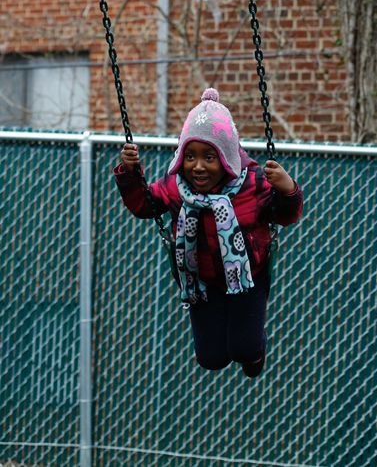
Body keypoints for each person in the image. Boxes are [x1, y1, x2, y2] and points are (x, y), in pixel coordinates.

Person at [114, 87, 303, 379]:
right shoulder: (175, 186)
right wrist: (129, 173)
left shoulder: (252, 183)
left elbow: (286, 214)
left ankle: (256, 350)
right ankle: (232, 348)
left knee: (245, 349)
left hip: (247, 277)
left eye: (209, 157)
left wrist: (287, 188)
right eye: (190, 156)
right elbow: (145, 205)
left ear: (227, 158)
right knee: (211, 358)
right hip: (201, 281)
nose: (198, 166)